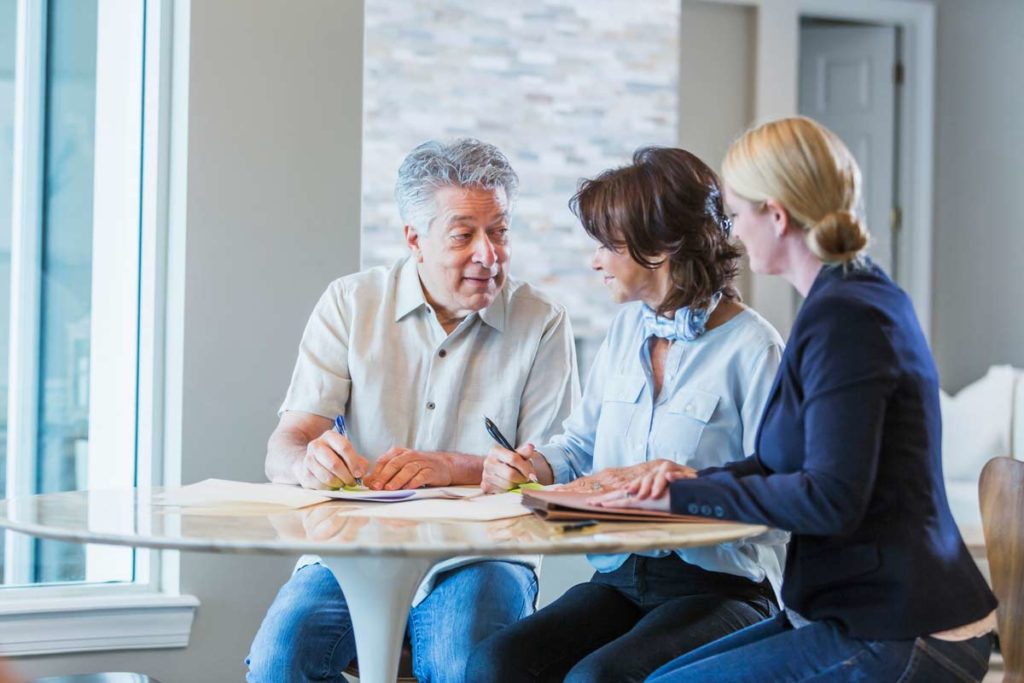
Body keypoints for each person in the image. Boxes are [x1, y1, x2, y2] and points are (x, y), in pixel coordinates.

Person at [601, 117, 998, 683]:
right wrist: (681, 481)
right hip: (855, 612)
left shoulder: (848, 318)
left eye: (738, 214)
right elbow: (782, 466)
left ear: (778, 215)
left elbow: (830, 498)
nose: (733, 233)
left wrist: (686, 496)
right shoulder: (844, 298)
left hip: (904, 629)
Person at [245, 138, 580, 683]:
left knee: (459, 666)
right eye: (464, 235)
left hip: (483, 554)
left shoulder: (542, 321)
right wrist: (307, 464)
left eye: (498, 231)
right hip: (356, 546)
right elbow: (286, 443)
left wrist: (456, 467)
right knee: (279, 662)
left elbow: (558, 465)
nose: (487, 254)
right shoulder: (350, 304)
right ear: (414, 239)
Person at [466, 147, 787, 683]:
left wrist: (689, 487)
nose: (595, 261)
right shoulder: (624, 332)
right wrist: (536, 467)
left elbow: (781, 494)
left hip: (720, 587)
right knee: (493, 664)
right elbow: (583, 445)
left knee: (598, 679)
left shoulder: (754, 349)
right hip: (620, 577)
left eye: (608, 246)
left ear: (663, 246)